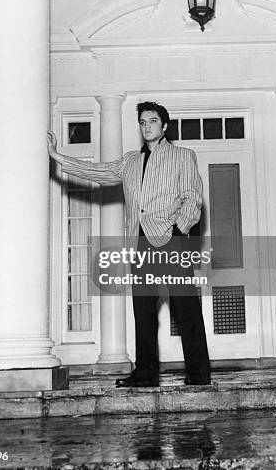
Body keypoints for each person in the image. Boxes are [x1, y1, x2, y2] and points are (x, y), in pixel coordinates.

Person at [47, 101, 211, 387]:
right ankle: (145, 373)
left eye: (152, 121)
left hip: (170, 242)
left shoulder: (182, 156)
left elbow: (193, 197)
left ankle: (198, 374)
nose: (146, 126)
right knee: (143, 311)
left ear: (164, 125)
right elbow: (97, 172)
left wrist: (178, 230)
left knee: (186, 308)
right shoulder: (129, 162)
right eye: (142, 122)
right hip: (139, 245)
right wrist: (57, 156)